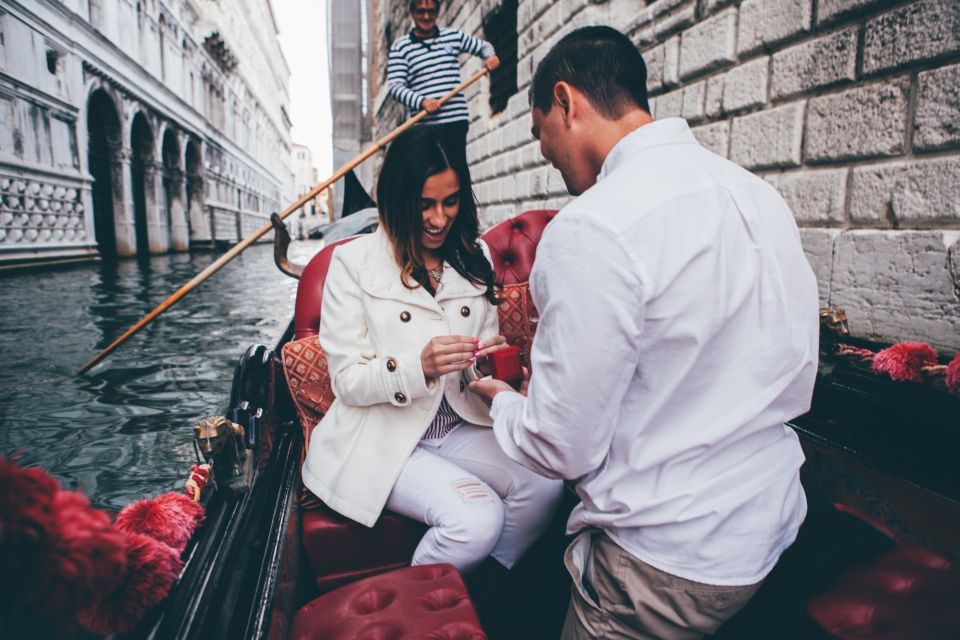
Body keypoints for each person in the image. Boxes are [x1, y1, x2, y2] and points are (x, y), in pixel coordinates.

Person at [469, 26, 820, 639]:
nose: (545, 154)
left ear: (566, 102)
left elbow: (562, 447)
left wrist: (500, 404)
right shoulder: (760, 196)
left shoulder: (591, 229)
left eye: (538, 132)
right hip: (772, 527)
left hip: (663, 565)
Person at [301, 126, 562, 578]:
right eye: (424, 204)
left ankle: (481, 597)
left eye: (450, 201)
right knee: (477, 518)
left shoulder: (471, 257)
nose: (440, 219)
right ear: (398, 199)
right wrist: (415, 366)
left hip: (459, 422)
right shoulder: (353, 264)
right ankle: (421, 608)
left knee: (546, 483)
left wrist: (486, 361)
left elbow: (479, 356)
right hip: (387, 435)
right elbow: (347, 381)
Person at [387, 0, 500, 166]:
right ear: (412, 13)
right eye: (421, 11)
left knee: (458, 173)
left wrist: (490, 57)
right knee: (429, 174)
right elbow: (395, 87)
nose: (426, 16)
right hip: (425, 125)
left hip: (456, 122)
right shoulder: (401, 48)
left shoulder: (452, 37)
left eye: (431, 11)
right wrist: (422, 102)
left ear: (437, 12)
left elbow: (484, 47)